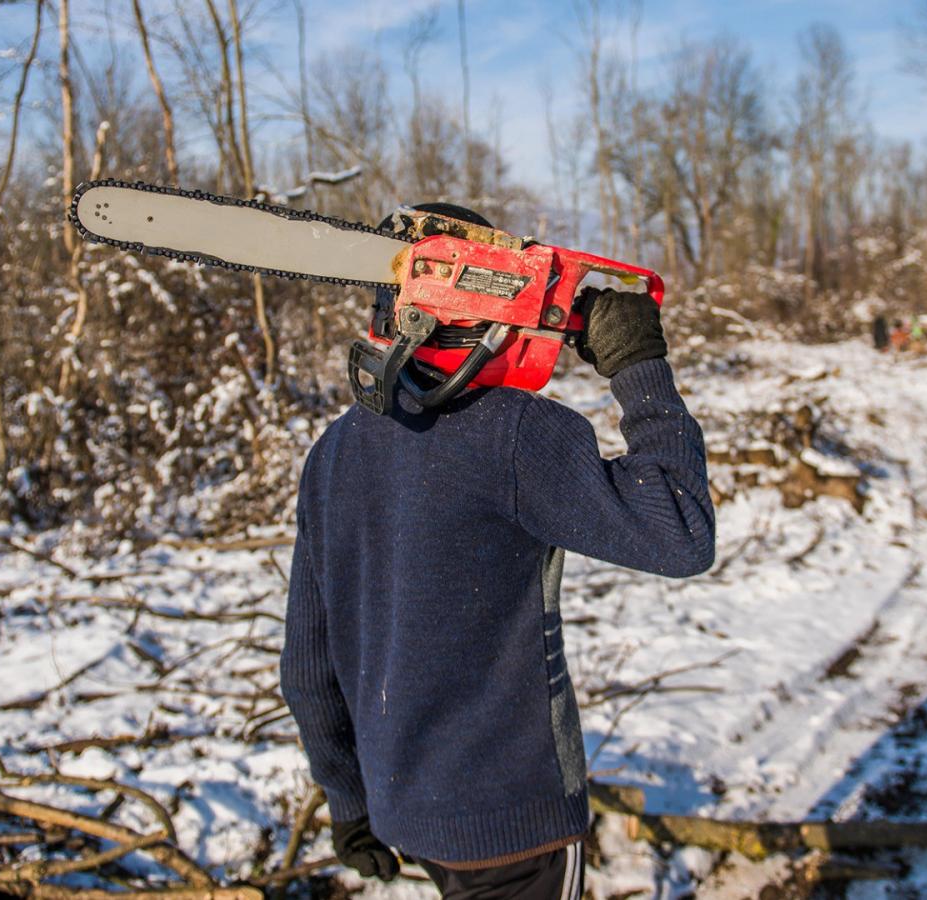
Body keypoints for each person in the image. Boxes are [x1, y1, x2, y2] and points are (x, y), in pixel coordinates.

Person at [280, 202, 716, 900]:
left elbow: (307, 665)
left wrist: (351, 802)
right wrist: (640, 367)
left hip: (405, 811)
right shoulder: (513, 435)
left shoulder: (332, 454)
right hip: (517, 826)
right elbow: (680, 531)